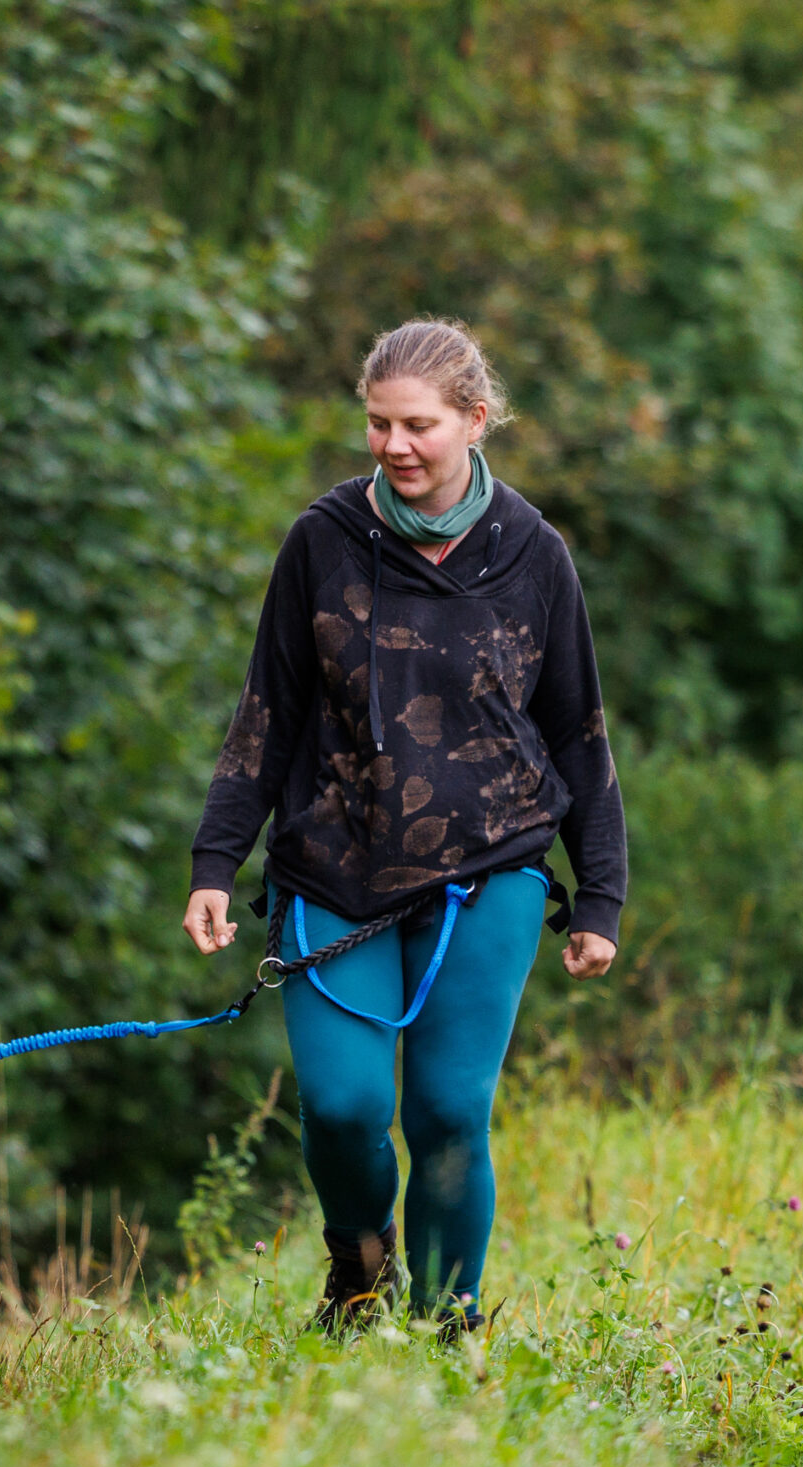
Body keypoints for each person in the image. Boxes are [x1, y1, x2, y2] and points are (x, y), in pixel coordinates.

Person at [183, 317, 626, 1338]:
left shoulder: (532, 553)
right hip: (332, 867)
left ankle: (448, 1330)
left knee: (447, 1114)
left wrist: (597, 891)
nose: (393, 446)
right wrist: (218, 858)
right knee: (340, 1107)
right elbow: (266, 711)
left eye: (417, 425)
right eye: (377, 424)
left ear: (474, 419)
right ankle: (360, 1264)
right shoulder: (323, 540)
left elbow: (577, 730)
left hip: (491, 868)